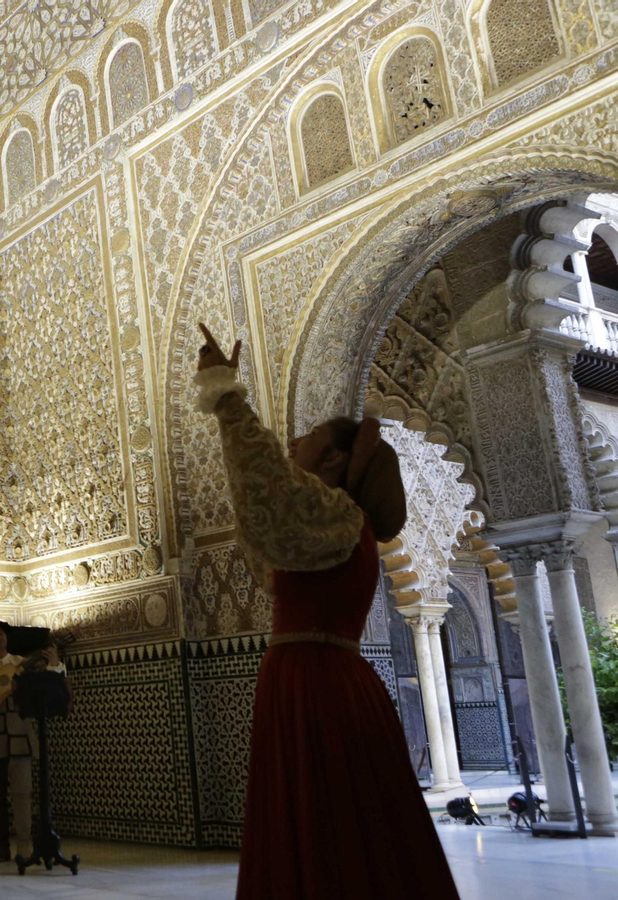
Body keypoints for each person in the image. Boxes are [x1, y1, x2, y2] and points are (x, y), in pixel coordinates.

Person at [194, 324, 459, 899]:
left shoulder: (338, 516)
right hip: (317, 680)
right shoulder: (329, 524)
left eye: (309, 437)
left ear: (336, 458)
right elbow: (263, 516)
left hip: (316, 685)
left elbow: (266, 479)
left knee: (327, 823)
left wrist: (227, 394)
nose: (294, 444)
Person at [0, 622, 63, 863]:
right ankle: (2, 845)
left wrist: (54, 663)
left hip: (20, 734)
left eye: (2, 635)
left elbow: (49, 684)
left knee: (22, 792)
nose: (0, 639)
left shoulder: (21, 663)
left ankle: (24, 845)